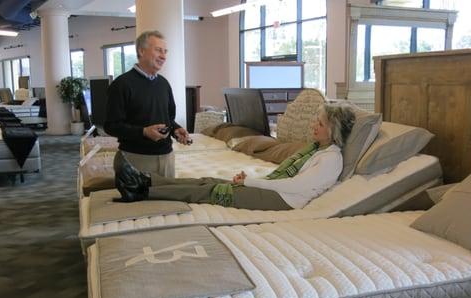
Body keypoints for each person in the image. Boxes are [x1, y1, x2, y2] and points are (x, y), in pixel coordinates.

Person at [114, 103, 356, 210]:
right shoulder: (315, 149)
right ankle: (145, 180)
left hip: (285, 200)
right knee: (208, 180)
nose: (315, 126)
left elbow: (296, 185)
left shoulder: (331, 158)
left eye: (321, 123)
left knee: (207, 192)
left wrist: (249, 181)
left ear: (333, 130)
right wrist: (253, 179)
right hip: (276, 190)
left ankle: (142, 192)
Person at [104, 30, 189, 178]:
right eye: (158, 50)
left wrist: (176, 129)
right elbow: (110, 126)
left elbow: (168, 119)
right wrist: (143, 132)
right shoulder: (122, 84)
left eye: (165, 51)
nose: (163, 56)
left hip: (167, 158)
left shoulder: (163, 84)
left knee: (167, 202)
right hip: (135, 160)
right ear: (141, 51)